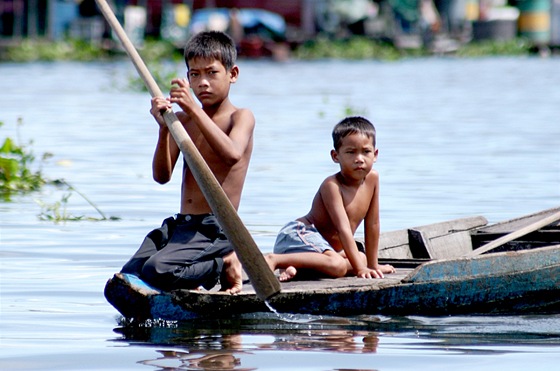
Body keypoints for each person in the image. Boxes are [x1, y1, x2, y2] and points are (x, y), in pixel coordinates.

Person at [120, 31, 255, 294]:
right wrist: (164, 129)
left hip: (216, 227)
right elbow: (162, 175)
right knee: (131, 275)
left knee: (158, 270)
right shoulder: (183, 122)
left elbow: (231, 154)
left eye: (211, 73)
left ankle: (223, 263)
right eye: (194, 74)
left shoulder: (241, 117)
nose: (202, 82)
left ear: (233, 74)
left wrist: (192, 109)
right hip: (183, 225)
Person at [266, 116, 395, 281]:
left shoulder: (373, 179)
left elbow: (373, 224)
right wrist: (360, 269)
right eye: (351, 152)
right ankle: (275, 259)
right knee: (339, 265)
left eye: (366, 151)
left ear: (375, 154)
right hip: (299, 236)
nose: (359, 159)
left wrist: (371, 265)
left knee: (360, 258)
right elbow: (343, 229)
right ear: (335, 156)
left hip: (323, 249)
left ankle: (297, 268)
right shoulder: (332, 185)